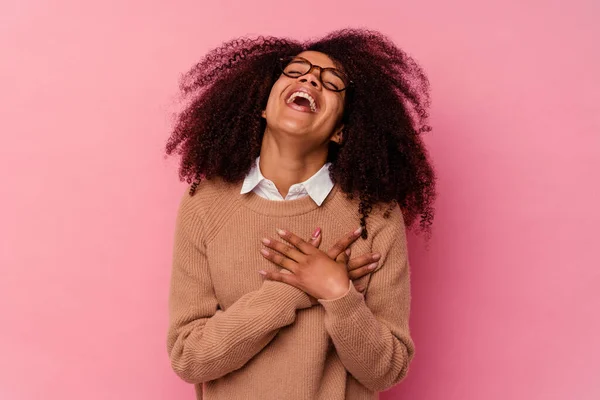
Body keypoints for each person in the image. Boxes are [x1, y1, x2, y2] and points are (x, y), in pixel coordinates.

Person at [165, 28, 436, 400]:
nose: (310, 78)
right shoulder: (205, 203)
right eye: (295, 71)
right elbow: (189, 357)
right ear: (263, 105)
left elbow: (385, 371)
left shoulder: (373, 215)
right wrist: (292, 289)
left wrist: (338, 293)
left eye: (332, 82)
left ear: (341, 130)